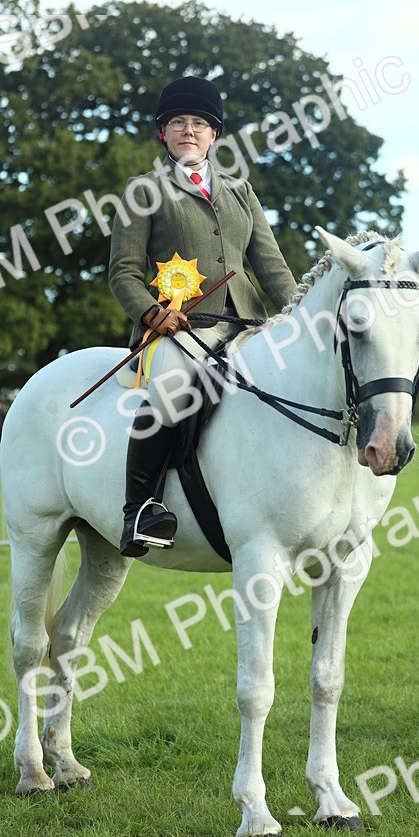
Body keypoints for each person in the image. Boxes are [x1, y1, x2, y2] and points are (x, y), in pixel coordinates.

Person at [109, 75, 296, 558]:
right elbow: (123, 273)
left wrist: (300, 317)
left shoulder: (240, 192)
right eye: (177, 123)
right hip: (182, 328)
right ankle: (140, 508)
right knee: (172, 392)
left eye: (198, 123)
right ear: (162, 134)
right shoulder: (143, 191)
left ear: (214, 134)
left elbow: (270, 266)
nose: (188, 130)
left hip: (247, 323)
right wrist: (152, 313)